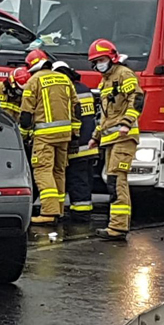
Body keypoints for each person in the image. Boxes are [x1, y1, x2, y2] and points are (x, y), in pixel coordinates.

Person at [89, 38, 144, 240]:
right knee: (113, 180)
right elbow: (105, 115)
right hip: (111, 138)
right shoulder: (105, 81)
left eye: (102, 59)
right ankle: (117, 225)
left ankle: (118, 227)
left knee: (116, 179)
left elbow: (136, 98)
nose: (99, 64)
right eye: (96, 61)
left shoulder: (124, 74)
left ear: (112, 57)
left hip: (124, 137)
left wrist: (127, 123)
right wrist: (96, 136)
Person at [19, 53, 79, 225]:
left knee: (43, 171)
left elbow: (26, 115)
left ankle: (48, 212)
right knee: (59, 171)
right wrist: (75, 134)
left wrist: (24, 136)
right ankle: (58, 209)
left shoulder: (34, 81)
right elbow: (76, 108)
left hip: (44, 136)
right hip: (65, 135)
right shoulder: (64, 79)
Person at [60, 60, 99, 220]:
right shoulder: (84, 89)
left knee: (77, 179)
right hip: (89, 144)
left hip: (77, 146)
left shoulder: (68, 91)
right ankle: (84, 208)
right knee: (86, 179)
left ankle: (81, 213)